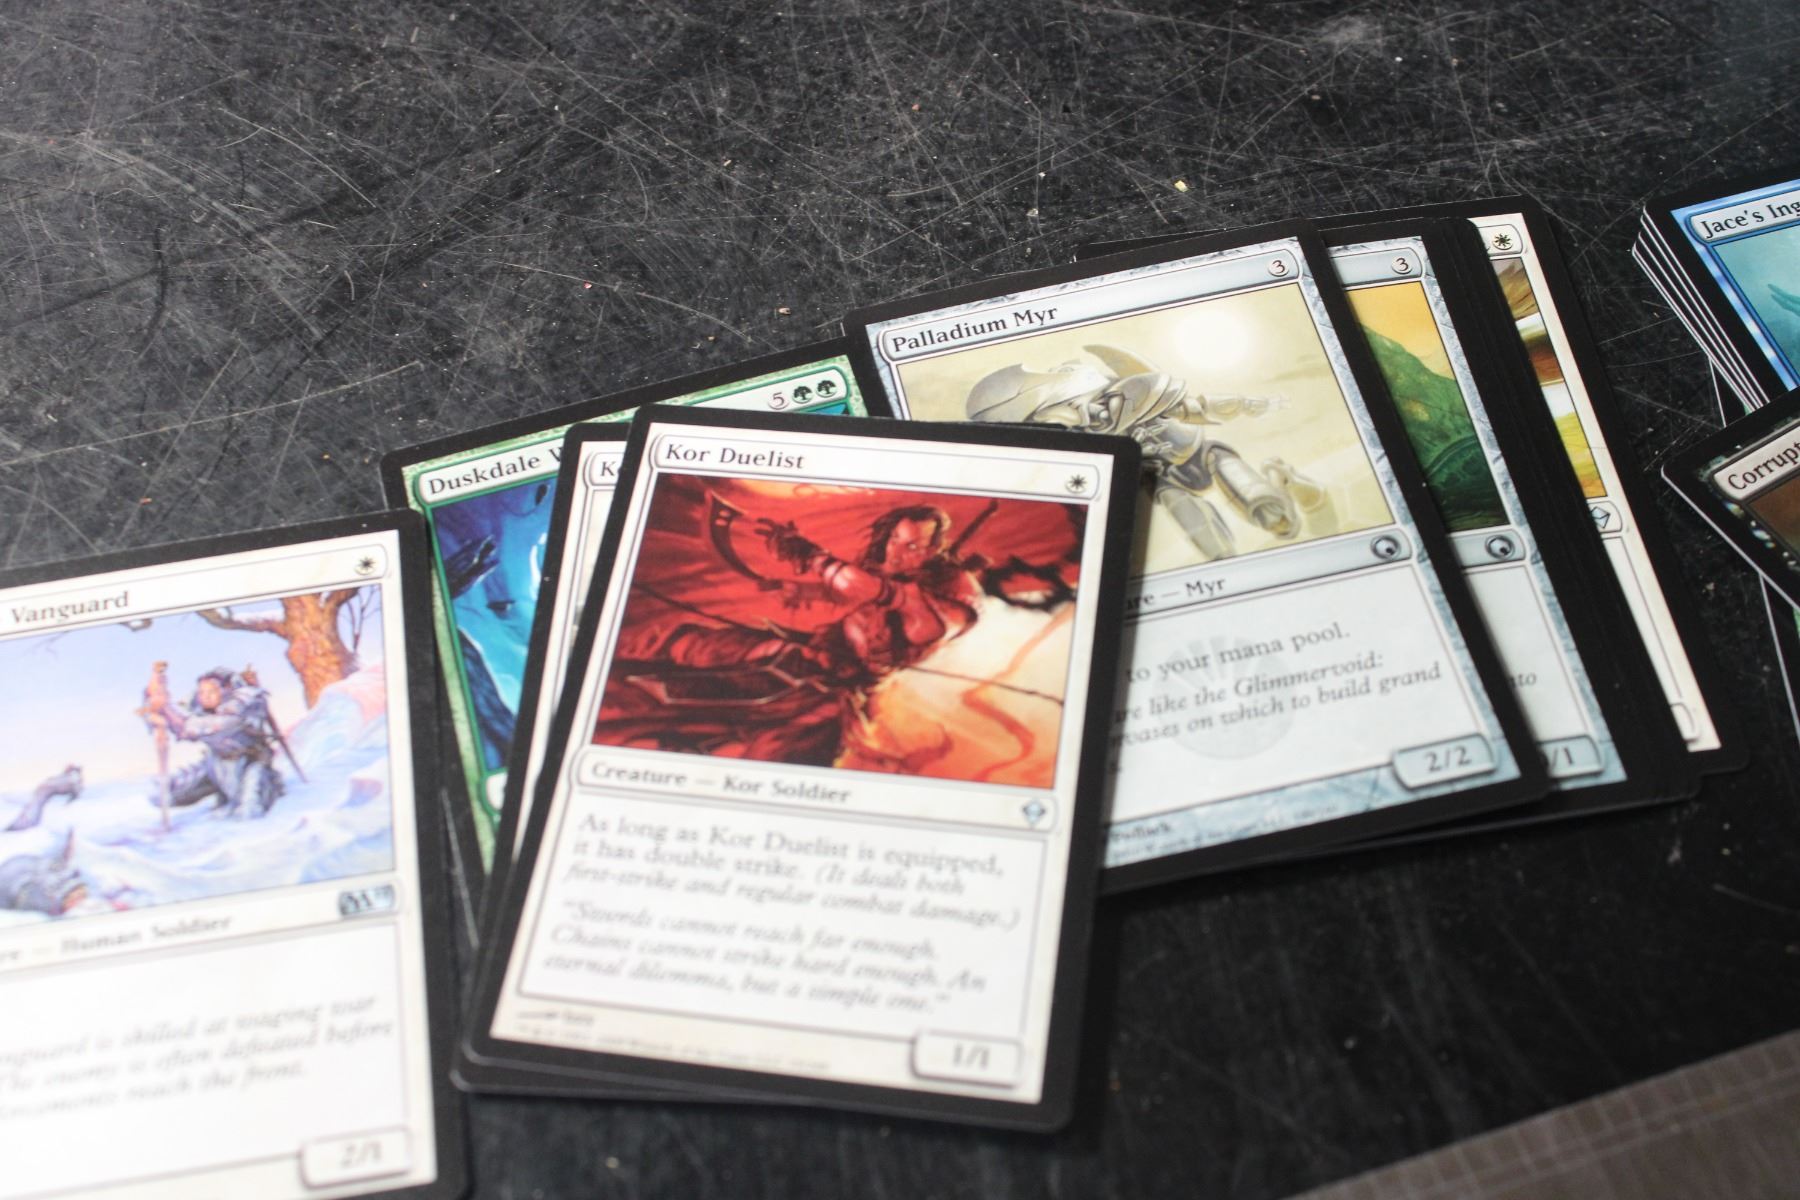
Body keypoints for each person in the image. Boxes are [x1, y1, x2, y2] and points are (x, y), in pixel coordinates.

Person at [597, 504, 993, 767]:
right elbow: (853, 594)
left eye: (913, 547)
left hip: (833, 690)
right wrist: (797, 589)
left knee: (782, 749)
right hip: (804, 656)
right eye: (895, 541)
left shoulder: (936, 611)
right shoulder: (896, 581)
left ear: (934, 553)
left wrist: (809, 554)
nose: (897, 554)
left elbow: (864, 589)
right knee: (694, 643)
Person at [159, 667, 285, 818]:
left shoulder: (239, 710)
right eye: (201, 692)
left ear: (227, 690)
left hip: (249, 766)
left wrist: (166, 709)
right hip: (218, 765)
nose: (205, 697)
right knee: (176, 794)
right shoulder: (204, 711)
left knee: (250, 809)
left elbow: (194, 728)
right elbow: (186, 720)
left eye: (211, 691)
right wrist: (161, 709)